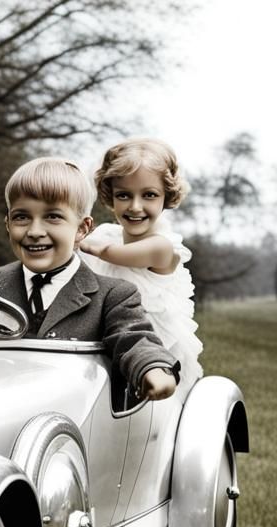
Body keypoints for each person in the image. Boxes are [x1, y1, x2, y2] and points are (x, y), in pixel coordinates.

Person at [0, 157, 179, 402]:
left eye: (53, 217)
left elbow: (133, 340)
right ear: (8, 224)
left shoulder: (113, 295)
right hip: (0, 408)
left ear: (82, 228)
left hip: (73, 416)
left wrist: (152, 368)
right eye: (21, 217)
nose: (34, 231)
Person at [79, 138, 202, 390]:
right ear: (111, 195)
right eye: (123, 195)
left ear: (166, 196)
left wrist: (77, 240)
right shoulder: (106, 234)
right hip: (111, 337)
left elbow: (113, 253)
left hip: (154, 352)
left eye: (149, 195)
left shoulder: (161, 247)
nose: (135, 207)